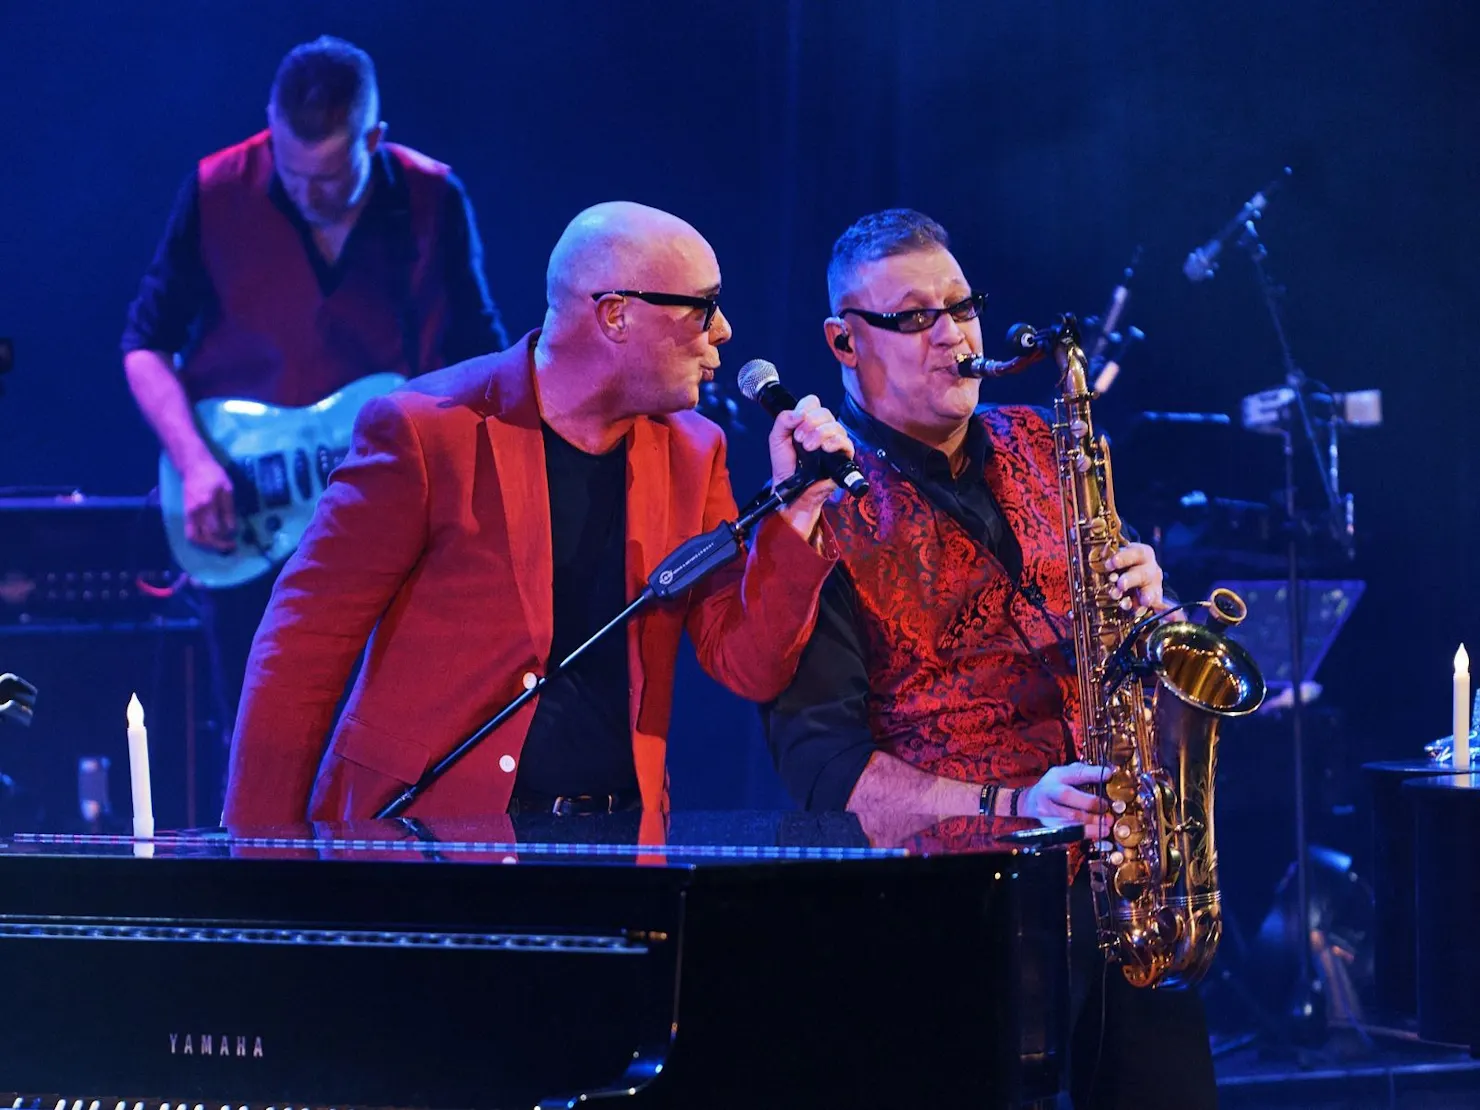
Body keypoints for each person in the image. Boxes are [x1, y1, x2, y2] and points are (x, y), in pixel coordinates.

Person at [762, 208, 1217, 1109]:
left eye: (962, 309)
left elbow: (1134, 655)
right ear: (843, 342)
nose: (954, 337)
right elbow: (824, 773)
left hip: (1132, 898)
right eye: (915, 317)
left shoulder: (1053, 447)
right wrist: (1014, 806)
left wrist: (1157, 614)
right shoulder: (815, 512)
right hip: (955, 932)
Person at [221, 200, 851, 826]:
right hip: (420, 843)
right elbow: (305, 641)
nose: (723, 331)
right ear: (615, 315)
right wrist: (259, 846)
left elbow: (748, 663)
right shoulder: (425, 431)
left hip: (616, 846)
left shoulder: (694, 450)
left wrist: (798, 512)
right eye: (703, 306)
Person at [120, 35, 507, 751]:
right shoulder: (217, 188)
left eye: (330, 178)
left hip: (391, 508)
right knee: (265, 741)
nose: (307, 194)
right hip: (250, 507)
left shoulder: (431, 196)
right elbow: (146, 344)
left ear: (375, 137)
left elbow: (482, 351)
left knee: (387, 740)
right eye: (293, 174)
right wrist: (196, 462)